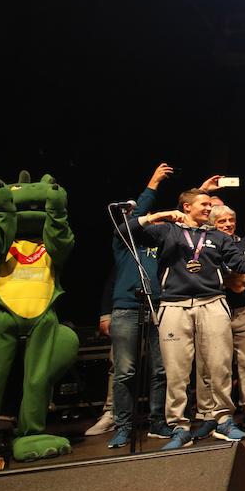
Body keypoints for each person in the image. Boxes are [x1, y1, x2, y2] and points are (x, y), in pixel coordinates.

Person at [127, 190, 245, 450]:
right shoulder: (167, 231)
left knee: (219, 365)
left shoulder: (216, 237)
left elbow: (238, 263)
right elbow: (127, 230)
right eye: (204, 204)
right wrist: (161, 215)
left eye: (211, 205)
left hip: (212, 304)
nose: (209, 209)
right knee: (177, 371)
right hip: (175, 305)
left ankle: (223, 419)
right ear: (186, 206)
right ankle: (179, 425)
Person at [103, 163, 173, 448]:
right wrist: (153, 185)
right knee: (125, 371)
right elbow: (131, 222)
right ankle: (124, 426)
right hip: (126, 310)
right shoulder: (125, 241)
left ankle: (157, 421)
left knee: (160, 369)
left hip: (159, 306)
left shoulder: (162, 242)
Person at [208, 204, 245, 431]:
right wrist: (230, 278)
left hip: (243, 310)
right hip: (215, 311)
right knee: (218, 366)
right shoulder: (206, 246)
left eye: (230, 220)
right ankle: (219, 415)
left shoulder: (243, 244)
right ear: (212, 224)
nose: (227, 225)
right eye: (221, 222)